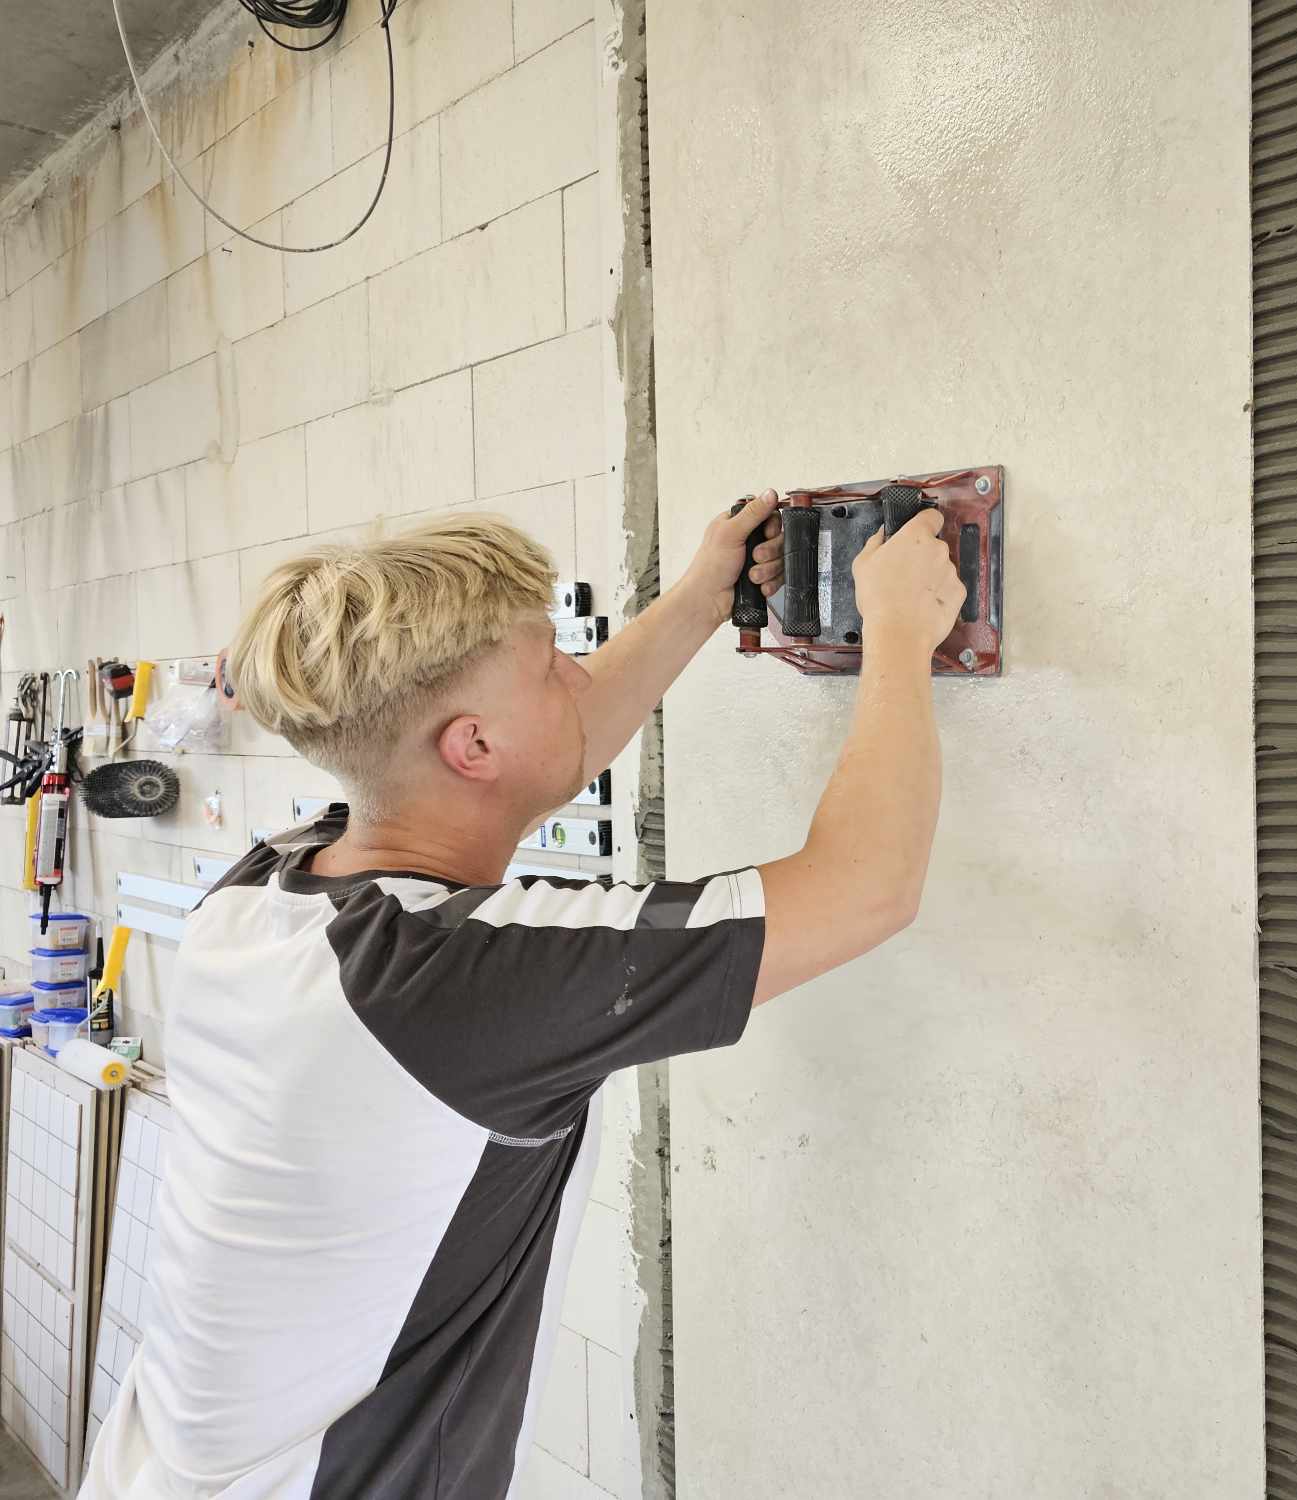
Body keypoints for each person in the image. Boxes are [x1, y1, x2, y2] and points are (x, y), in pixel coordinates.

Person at [80, 493, 967, 1497]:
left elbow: (546, 754)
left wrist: (702, 596)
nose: (578, 677)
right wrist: (900, 634)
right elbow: (863, 889)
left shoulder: (264, 890)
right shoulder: (449, 981)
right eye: (551, 666)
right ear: (472, 748)